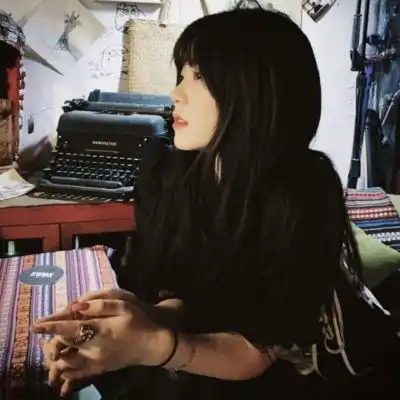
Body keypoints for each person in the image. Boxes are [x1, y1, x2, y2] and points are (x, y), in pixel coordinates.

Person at [32, 7, 366, 400]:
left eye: (199, 77)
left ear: (256, 92)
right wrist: (129, 322)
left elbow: (260, 347)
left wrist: (150, 343)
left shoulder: (302, 193)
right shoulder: (167, 171)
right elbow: (200, 297)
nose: (176, 93)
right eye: (182, 74)